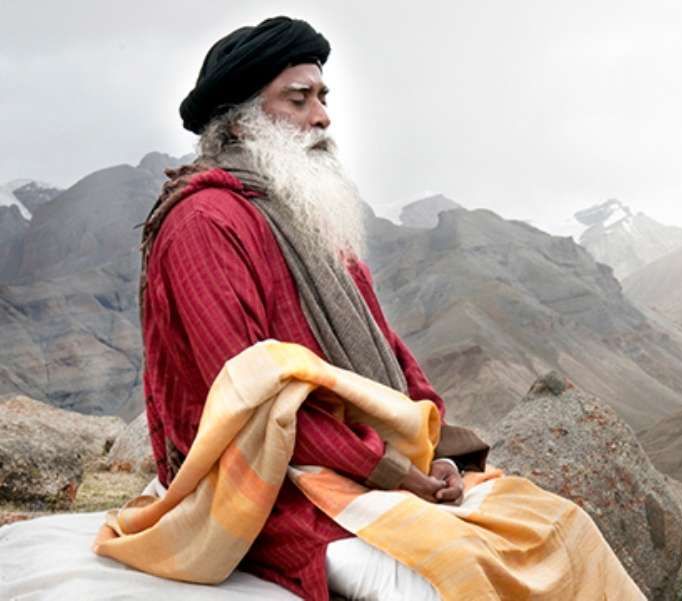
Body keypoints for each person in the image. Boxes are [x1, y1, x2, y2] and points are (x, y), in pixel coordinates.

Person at [139, 16, 487, 601]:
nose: (322, 116)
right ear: (240, 119)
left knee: (552, 529)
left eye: (323, 97)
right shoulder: (202, 225)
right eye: (298, 99)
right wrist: (394, 473)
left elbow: (388, 351)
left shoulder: (306, 212)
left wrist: (432, 449)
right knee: (443, 577)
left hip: (358, 465)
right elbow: (252, 408)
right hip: (269, 487)